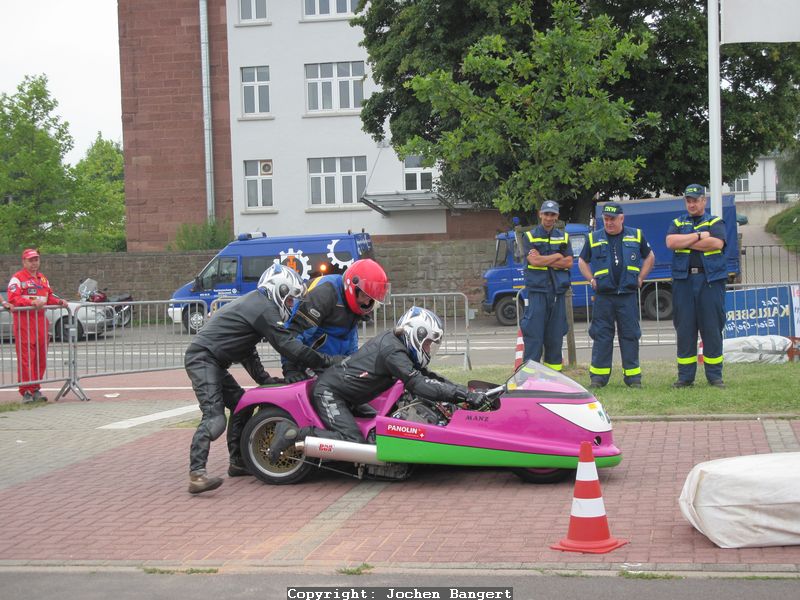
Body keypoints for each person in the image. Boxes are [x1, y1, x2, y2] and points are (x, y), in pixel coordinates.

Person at [185, 263, 342, 494]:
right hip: (203, 359)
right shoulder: (262, 307)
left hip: (213, 360)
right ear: (278, 290)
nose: (291, 305)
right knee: (214, 418)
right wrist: (328, 361)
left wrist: (265, 379)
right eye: (289, 299)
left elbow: (245, 349)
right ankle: (196, 474)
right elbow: (289, 346)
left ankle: (237, 462)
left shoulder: (256, 304)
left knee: (241, 405)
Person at [268, 306, 488, 461]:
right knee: (353, 440)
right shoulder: (393, 351)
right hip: (331, 392)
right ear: (416, 334)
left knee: (372, 427)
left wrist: (462, 391)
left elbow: (427, 375)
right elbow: (419, 384)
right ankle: (294, 433)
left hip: (350, 395)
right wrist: (464, 396)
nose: (429, 349)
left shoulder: (397, 345)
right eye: (428, 343)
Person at [578, 203, 654, 388]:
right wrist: (591, 279)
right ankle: (598, 378)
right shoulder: (593, 238)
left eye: (612, 219)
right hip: (604, 296)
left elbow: (650, 256)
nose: (609, 223)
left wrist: (641, 277)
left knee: (629, 335)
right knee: (602, 335)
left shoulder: (636, 235)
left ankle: (633, 378)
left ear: (622, 218)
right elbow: (582, 260)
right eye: (606, 219)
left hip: (627, 295)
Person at [282, 258, 389, 383]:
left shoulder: (353, 304)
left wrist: (353, 364)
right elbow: (295, 332)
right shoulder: (324, 294)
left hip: (332, 362)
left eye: (370, 298)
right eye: (365, 296)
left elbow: (349, 339)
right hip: (311, 362)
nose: (367, 302)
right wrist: (290, 367)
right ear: (353, 287)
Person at [665, 184, 728, 389]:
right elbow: (671, 242)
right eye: (688, 200)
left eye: (695, 200)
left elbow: (716, 244)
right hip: (684, 281)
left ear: (704, 201)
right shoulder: (677, 222)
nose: (691, 204)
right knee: (685, 329)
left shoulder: (715, 222)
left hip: (709, 281)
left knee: (711, 328)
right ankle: (685, 377)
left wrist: (685, 241)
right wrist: (700, 236)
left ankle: (714, 376)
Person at [6, 249, 69, 403]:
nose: (34, 263)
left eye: (36, 260)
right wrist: (31, 302)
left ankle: (36, 388)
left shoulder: (42, 279)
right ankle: (25, 390)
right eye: (30, 260)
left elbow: (49, 296)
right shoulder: (17, 279)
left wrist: (60, 302)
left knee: (40, 357)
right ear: (24, 262)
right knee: (26, 357)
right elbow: (13, 298)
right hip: (24, 323)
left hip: (41, 322)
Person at [519, 200, 573, 371]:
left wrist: (544, 259)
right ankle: (529, 377)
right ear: (540, 214)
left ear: (557, 216)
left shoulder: (564, 236)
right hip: (537, 292)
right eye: (546, 214)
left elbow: (569, 262)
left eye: (552, 214)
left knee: (555, 336)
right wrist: (557, 256)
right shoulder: (529, 236)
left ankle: (553, 376)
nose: (549, 218)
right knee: (534, 336)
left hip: (557, 292)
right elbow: (533, 261)